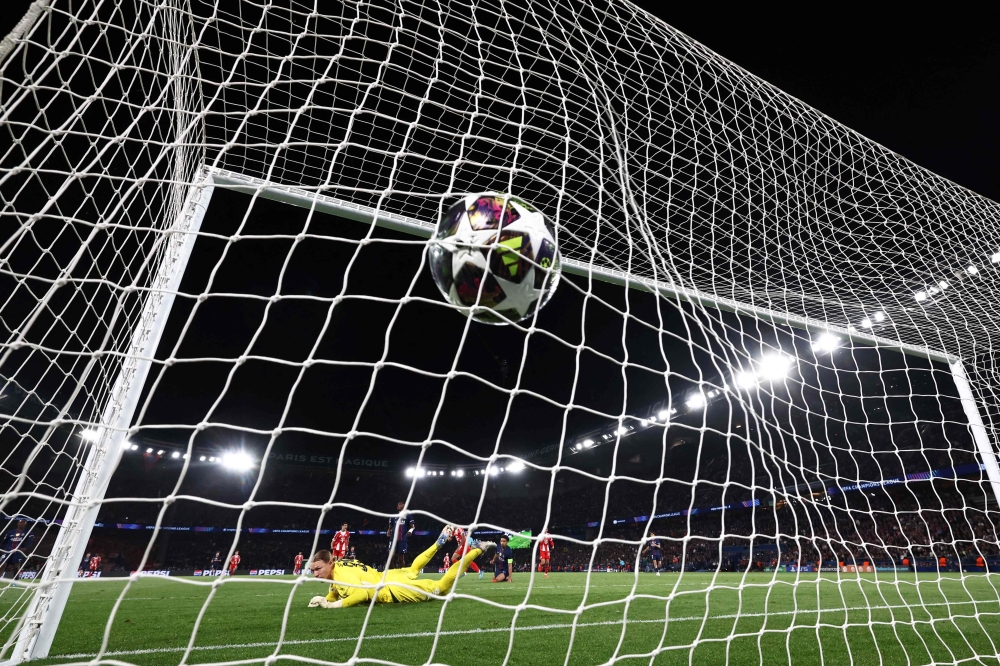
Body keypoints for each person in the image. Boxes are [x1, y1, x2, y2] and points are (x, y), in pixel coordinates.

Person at [307, 526, 494, 609]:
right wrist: (325, 598)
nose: (315, 574)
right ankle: (438, 544)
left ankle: (478, 549)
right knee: (413, 569)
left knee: (442, 587)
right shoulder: (337, 566)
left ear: (330, 563)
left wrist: (332, 606)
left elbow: (362, 594)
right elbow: (335, 589)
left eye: (318, 569)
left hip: (392, 590)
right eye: (313, 571)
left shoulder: (341, 575)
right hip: (386, 576)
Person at [387, 503, 415, 568]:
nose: (397, 506)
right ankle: (390, 572)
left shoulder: (408, 515)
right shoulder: (394, 516)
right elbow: (390, 526)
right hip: (393, 538)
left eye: (399, 505)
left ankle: (402, 573)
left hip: (402, 539)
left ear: (403, 506)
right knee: (391, 556)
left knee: (401, 559)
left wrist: (410, 531)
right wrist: (388, 531)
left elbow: (412, 527)